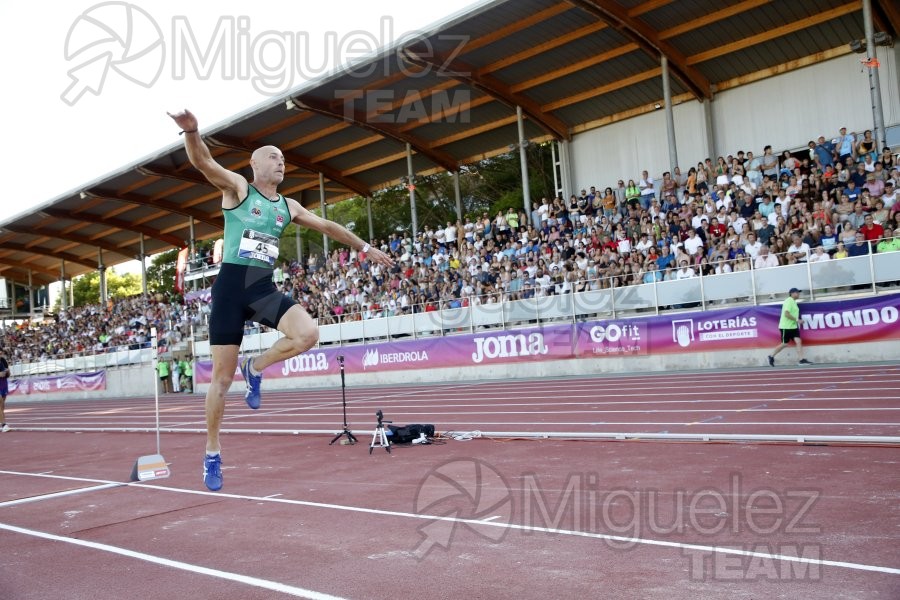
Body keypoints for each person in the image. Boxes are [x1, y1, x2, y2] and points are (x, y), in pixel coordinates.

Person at [169, 109, 394, 491]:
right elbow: (203, 161)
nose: (281, 163)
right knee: (221, 380)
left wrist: (364, 246)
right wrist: (192, 131)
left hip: (260, 287)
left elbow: (326, 225)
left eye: (284, 160)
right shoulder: (239, 189)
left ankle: (256, 368)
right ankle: (211, 452)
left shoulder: (288, 207)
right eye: (274, 157)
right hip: (229, 289)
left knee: (308, 334)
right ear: (254, 164)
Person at [767, 287, 811, 367]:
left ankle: (801, 360)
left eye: (798, 292)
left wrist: (796, 321)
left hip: (793, 326)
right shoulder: (788, 301)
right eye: (797, 292)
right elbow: (786, 314)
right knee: (784, 344)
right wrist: (797, 320)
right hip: (786, 327)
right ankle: (771, 356)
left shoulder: (793, 302)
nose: (798, 294)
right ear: (792, 293)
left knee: (798, 341)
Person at [0, 349, 9, 432]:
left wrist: (7, 371)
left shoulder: (3, 360)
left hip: (3, 384)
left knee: (2, 407)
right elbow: (2, 373)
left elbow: (7, 374)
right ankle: (3, 424)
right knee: (0, 405)